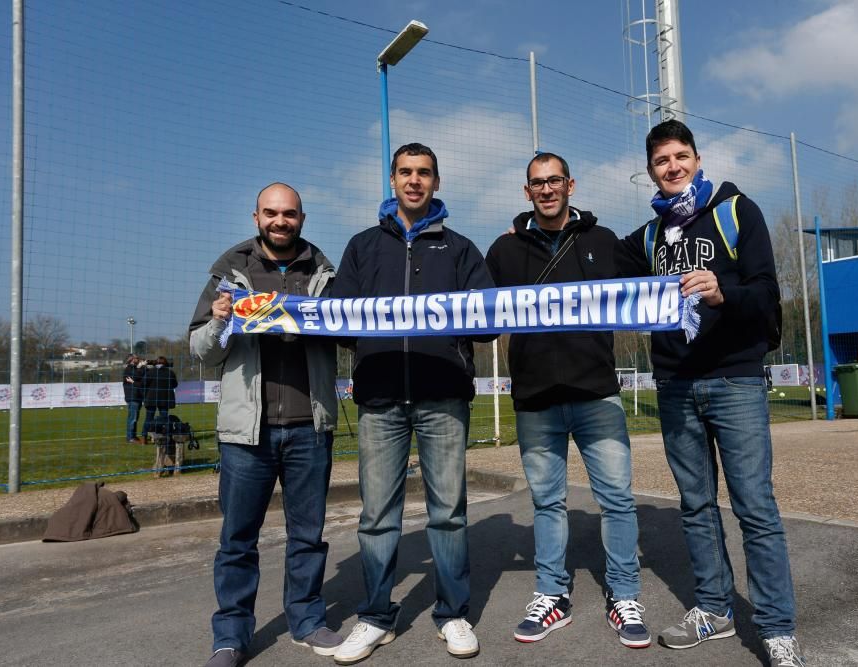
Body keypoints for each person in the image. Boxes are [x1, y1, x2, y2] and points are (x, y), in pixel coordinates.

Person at [618, 119, 805, 667]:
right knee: (697, 506)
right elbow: (594, 267)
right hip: (675, 384)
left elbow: (769, 293)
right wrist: (533, 227)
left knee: (755, 507)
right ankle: (713, 610)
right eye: (660, 162)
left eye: (680, 157)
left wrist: (723, 292)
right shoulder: (649, 237)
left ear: (697, 159)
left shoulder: (736, 210)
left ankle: (776, 628)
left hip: (734, 380)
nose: (672, 167)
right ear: (649, 171)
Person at [330, 143, 494, 664]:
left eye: (424, 173)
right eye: (406, 172)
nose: (415, 181)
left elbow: (489, 321)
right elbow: (337, 318)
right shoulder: (362, 246)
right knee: (378, 515)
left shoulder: (461, 248)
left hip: (443, 395)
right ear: (393, 179)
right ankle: (376, 616)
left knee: (448, 512)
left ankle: (453, 614)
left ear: (437, 183)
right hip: (380, 399)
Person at [485, 153, 649, 649]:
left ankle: (624, 595)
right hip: (535, 397)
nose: (547, 189)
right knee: (547, 502)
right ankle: (552, 595)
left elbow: (650, 280)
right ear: (526, 191)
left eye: (555, 180)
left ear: (571, 185)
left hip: (596, 393)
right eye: (538, 183)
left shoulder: (602, 241)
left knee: (617, 499)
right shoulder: (504, 251)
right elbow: (482, 314)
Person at [189, 183, 342, 666]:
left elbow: (351, 331)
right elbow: (202, 351)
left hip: (309, 427)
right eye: (272, 213)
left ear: (302, 218)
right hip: (245, 434)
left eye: (290, 214)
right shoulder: (227, 272)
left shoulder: (324, 273)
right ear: (256, 216)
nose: (281, 221)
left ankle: (308, 621)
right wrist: (217, 320)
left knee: (309, 536)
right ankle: (231, 635)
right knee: (237, 538)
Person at [141, 356, 177, 440]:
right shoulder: (170, 373)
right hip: (164, 399)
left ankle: (144, 437)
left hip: (151, 398)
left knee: (149, 418)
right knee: (164, 418)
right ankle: (164, 435)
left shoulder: (151, 372)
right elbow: (175, 384)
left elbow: (143, 383)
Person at [122, 354, 144, 443]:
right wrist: (141, 367)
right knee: (133, 418)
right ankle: (130, 437)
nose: (138, 359)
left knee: (135, 418)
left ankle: (133, 436)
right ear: (132, 360)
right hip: (132, 397)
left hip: (136, 396)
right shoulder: (129, 369)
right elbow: (137, 376)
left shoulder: (134, 369)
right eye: (137, 358)